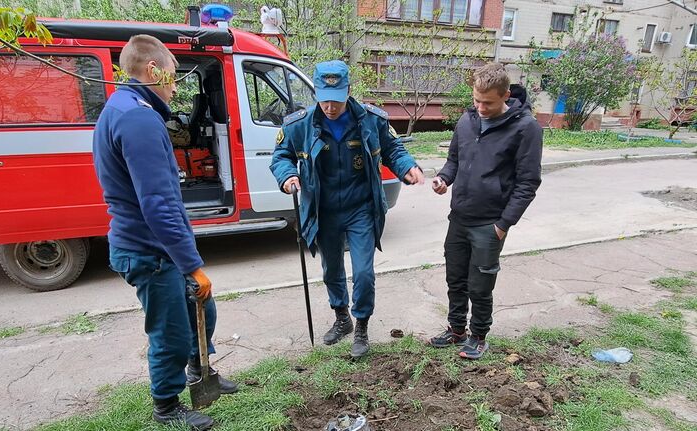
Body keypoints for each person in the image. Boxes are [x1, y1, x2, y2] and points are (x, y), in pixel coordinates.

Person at [92, 35, 236, 429]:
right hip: (149, 251)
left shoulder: (125, 107)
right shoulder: (137, 117)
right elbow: (156, 204)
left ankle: (200, 373)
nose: (175, 87)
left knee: (201, 309)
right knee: (170, 331)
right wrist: (191, 265)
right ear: (152, 70)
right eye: (172, 77)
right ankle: (167, 408)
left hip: (155, 246)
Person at [270, 60, 425, 359]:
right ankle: (342, 318)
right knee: (332, 269)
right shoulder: (298, 125)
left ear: (349, 91)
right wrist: (287, 175)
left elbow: (394, 149)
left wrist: (407, 168)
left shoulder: (370, 119)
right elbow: (281, 156)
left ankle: (362, 326)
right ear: (316, 93)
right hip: (323, 209)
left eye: (337, 100)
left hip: (360, 208)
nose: (330, 107)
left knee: (364, 272)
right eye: (325, 99)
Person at [429, 62, 543, 360]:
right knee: (456, 278)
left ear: (505, 95)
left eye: (488, 102)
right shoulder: (467, 121)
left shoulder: (526, 128)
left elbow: (528, 182)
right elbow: (454, 160)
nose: (480, 107)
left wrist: (504, 224)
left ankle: (478, 336)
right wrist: (443, 179)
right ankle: (456, 330)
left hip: (490, 223)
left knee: (480, 285)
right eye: (476, 100)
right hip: (459, 217)